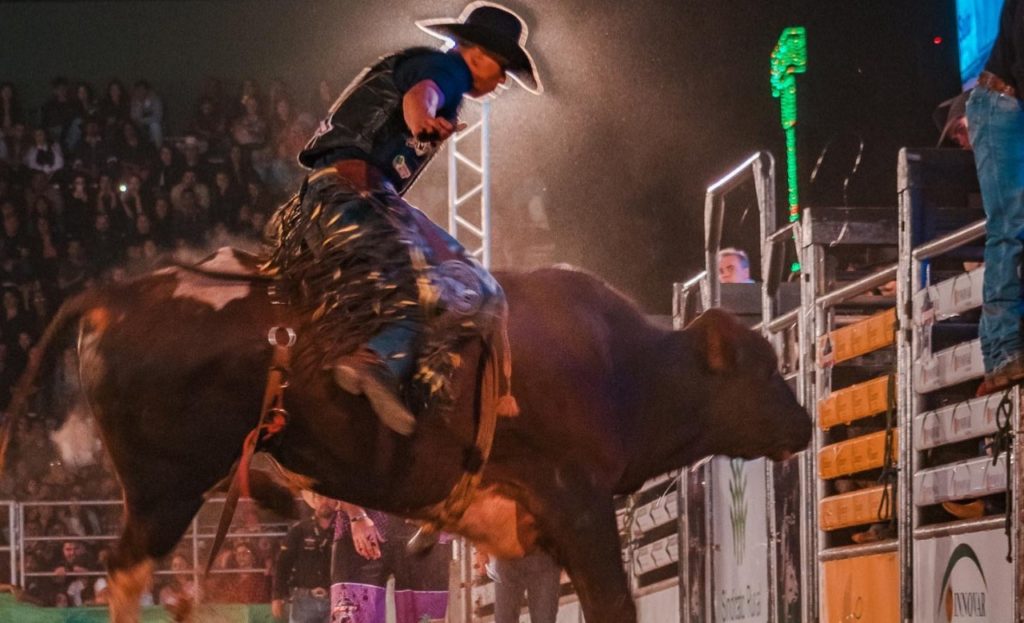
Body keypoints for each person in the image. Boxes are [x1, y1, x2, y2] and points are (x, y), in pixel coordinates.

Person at [265, 2, 541, 434]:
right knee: (452, 284)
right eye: (502, 67)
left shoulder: (429, 69)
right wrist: (423, 121)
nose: (502, 80)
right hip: (352, 197)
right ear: (476, 55)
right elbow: (422, 95)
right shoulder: (447, 71)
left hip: (323, 203)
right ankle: (377, 361)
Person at [966, 0, 1024, 393]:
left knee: (1010, 224)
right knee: (1009, 224)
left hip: (1004, 104)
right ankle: (1002, 351)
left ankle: (1000, 349)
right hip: (1000, 104)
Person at [330, 503, 451, 623]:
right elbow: (335, 483)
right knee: (351, 616)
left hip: (425, 521)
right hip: (362, 520)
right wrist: (356, 515)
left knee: (427, 618)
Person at [272, 492, 336, 623]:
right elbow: (283, 564)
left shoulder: (345, 530)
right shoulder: (299, 530)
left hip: (336, 598)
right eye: (320, 497)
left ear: (336, 501)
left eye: (329, 497)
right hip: (303, 599)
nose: (325, 501)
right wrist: (277, 595)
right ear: (314, 501)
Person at [479, 549, 562, 623]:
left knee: (545, 618)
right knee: (504, 618)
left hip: (545, 557)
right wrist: (481, 551)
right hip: (507, 558)